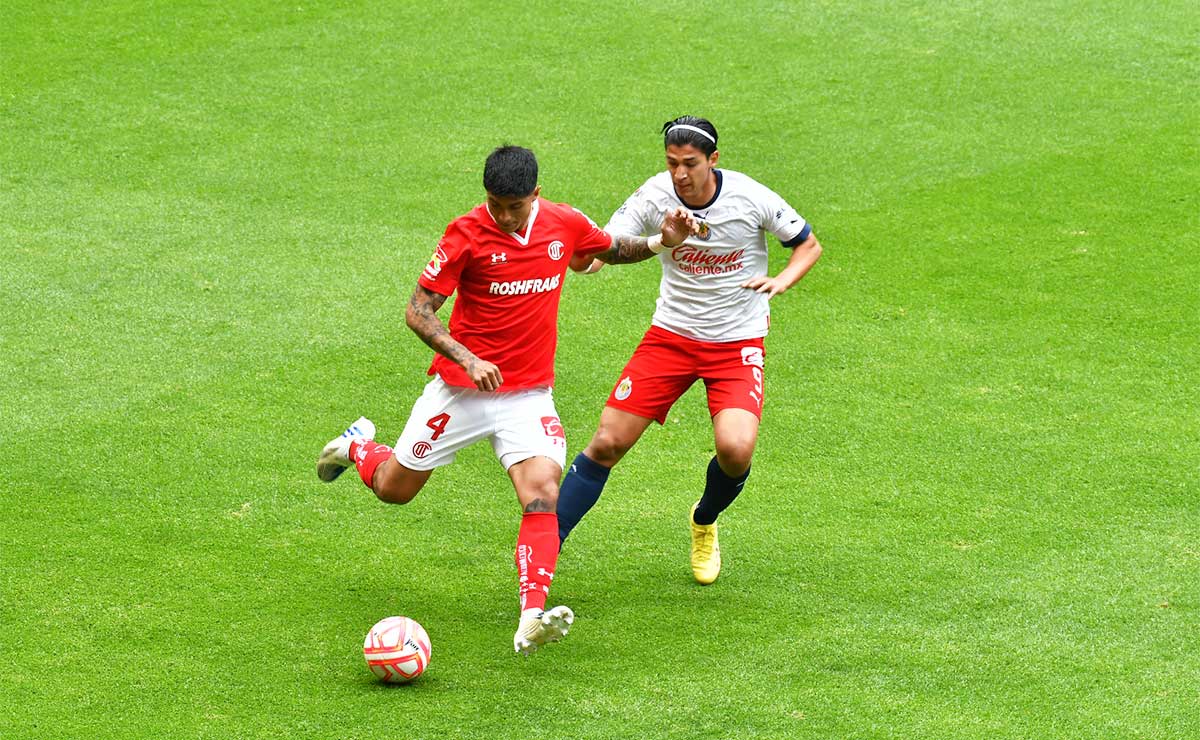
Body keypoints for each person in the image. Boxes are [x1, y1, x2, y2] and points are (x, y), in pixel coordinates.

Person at [316, 145, 695, 654]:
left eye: (514, 206)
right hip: (461, 391)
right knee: (394, 490)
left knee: (542, 493)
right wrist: (468, 358)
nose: (504, 216)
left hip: (528, 395)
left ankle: (531, 617)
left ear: (535, 194)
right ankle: (357, 446)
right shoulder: (465, 234)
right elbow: (418, 311)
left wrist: (660, 241)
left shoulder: (563, 222)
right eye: (495, 204)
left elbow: (608, 249)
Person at [556, 116, 823, 585]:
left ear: (713, 159)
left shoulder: (749, 196)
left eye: (690, 163)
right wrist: (586, 257)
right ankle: (545, 545)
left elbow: (807, 244)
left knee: (735, 450)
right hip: (671, 338)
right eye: (672, 163)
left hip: (736, 343)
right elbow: (602, 250)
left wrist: (782, 279)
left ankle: (704, 519)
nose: (680, 174)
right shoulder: (654, 195)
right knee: (607, 443)